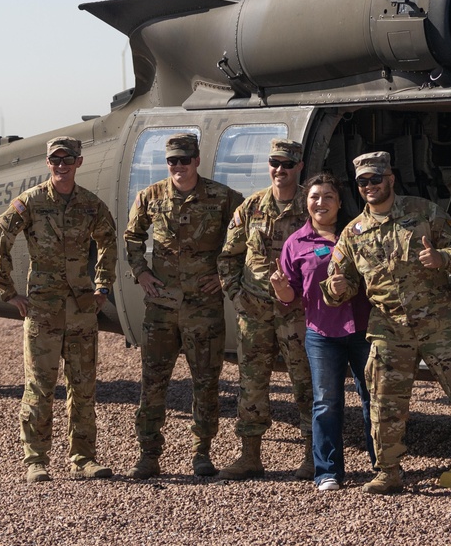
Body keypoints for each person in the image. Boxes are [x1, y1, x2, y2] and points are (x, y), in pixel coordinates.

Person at [320, 151, 451, 498]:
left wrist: (443, 259)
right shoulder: (353, 233)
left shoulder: (424, 212)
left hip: (440, 323)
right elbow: (343, 285)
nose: (370, 186)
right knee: (385, 402)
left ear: (390, 178)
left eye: (376, 178)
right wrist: (334, 289)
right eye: (363, 181)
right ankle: (388, 471)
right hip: (389, 328)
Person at [0, 136, 117, 484]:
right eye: (55, 160)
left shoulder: (91, 205)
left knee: (83, 387)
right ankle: (36, 461)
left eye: (68, 159)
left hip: (82, 309)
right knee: (40, 387)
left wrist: (103, 285)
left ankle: (84, 459)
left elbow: (108, 240)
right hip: (42, 309)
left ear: (79, 162)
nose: (61, 165)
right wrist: (8, 292)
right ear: (48, 163)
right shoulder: (30, 202)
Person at [122, 133, 244, 480]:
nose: (178, 166)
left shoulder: (222, 198)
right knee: (153, 382)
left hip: (203, 308)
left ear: (197, 160)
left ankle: (201, 452)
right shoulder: (150, 196)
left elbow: (245, 234)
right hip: (160, 308)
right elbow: (132, 236)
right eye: (172, 161)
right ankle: (148, 455)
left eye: (184, 160)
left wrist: (224, 276)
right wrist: (141, 272)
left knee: (205, 382)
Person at [271, 173, 376, 492]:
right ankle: (327, 471)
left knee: (374, 396)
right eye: (315, 196)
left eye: (328, 196)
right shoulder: (296, 243)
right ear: (306, 202)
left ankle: (382, 466)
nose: (321, 202)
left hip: (362, 329)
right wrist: (279, 289)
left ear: (340, 202)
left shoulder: (358, 234)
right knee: (326, 402)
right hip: (322, 333)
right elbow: (291, 297)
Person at [216, 139, 314, 481]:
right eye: (275, 163)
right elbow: (228, 256)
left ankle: (311, 456)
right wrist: (236, 295)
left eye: (287, 164)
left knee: (305, 383)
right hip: (254, 311)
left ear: (299, 167)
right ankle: (250, 456)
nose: (280, 170)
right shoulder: (250, 207)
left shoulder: (311, 207)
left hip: (297, 313)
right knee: (251, 384)